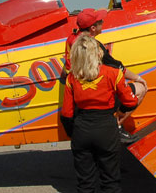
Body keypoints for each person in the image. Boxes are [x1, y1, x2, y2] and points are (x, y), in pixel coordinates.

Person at [61, 35, 138, 193]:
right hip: (106, 129)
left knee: (85, 184)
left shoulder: (71, 78)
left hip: (82, 129)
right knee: (110, 182)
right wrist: (120, 113)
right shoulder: (113, 73)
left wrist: (73, 133)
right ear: (98, 53)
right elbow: (131, 102)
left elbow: (66, 114)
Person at [62, 8, 147, 143]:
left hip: (77, 96)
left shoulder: (72, 39)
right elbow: (117, 67)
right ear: (93, 28)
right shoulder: (94, 46)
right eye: (100, 21)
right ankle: (117, 128)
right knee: (141, 88)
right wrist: (138, 78)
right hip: (93, 97)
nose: (103, 23)